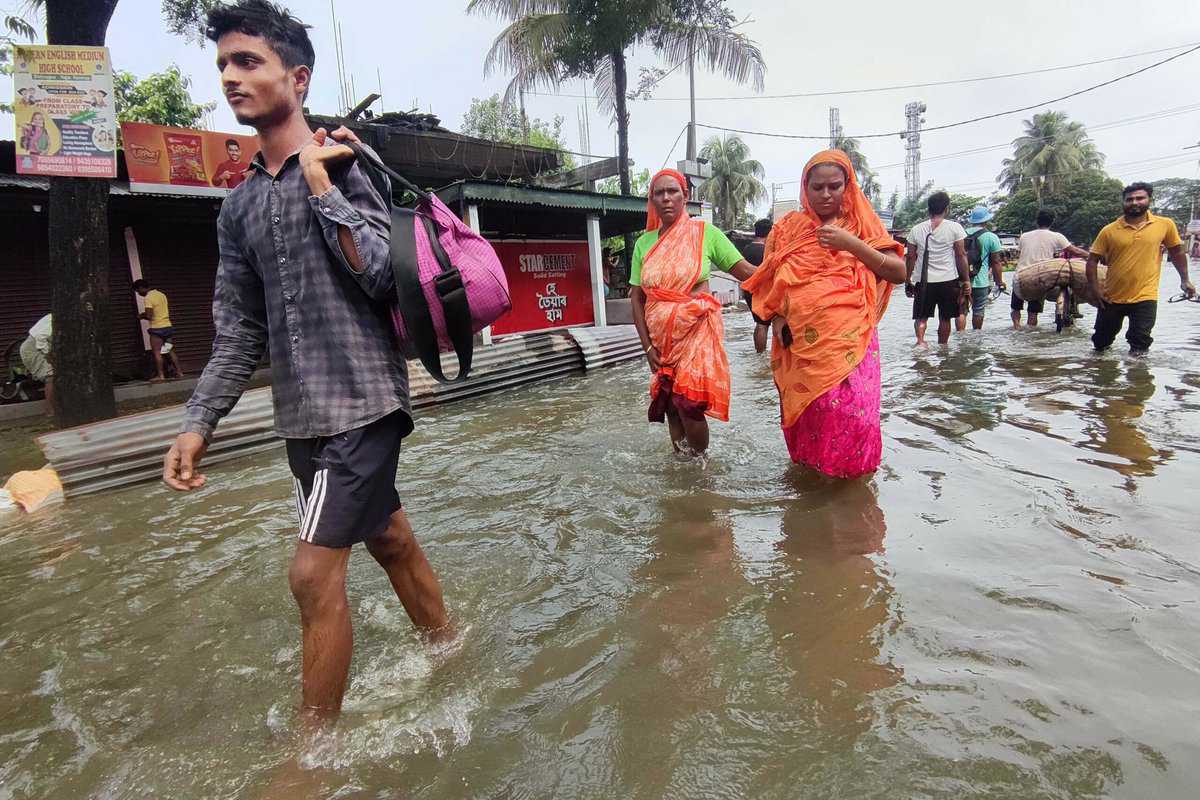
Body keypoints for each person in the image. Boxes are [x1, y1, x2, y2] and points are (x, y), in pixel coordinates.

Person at [161, 0, 450, 722]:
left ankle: (313, 755)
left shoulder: (347, 166)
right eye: (223, 64)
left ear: (298, 77)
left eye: (247, 62)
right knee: (387, 536)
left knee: (311, 575)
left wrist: (324, 187)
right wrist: (199, 423)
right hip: (303, 417)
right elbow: (239, 332)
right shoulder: (237, 212)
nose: (231, 77)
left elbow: (387, 278)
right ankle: (451, 643)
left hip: (364, 404)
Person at [741, 149, 906, 478]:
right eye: (818, 187)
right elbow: (767, 285)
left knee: (851, 414)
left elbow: (899, 273)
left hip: (852, 344)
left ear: (848, 186)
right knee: (812, 416)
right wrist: (776, 319)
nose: (826, 194)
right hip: (800, 347)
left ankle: (850, 495)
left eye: (835, 186)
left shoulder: (861, 224)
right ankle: (813, 490)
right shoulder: (788, 229)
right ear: (806, 187)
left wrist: (852, 244)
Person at [629, 168, 756, 456]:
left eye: (672, 191)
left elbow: (745, 272)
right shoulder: (643, 244)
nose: (666, 198)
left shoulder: (705, 234)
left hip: (696, 336)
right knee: (671, 404)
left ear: (685, 196)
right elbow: (636, 298)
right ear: (652, 200)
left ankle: (701, 466)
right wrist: (647, 346)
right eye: (658, 193)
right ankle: (681, 464)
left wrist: (785, 274)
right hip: (661, 341)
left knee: (689, 405)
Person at [1087, 182, 1196, 356]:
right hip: (1111, 297)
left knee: (1140, 342)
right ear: (1123, 202)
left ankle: (1138, 380)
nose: (1134, 202)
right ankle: (1102, 378)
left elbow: (1176, 252)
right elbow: (1092, 261)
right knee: (1101, 343)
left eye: (1140, 198)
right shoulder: (1109, 230)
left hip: (1146, 296)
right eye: (1129, 199)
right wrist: (1094, 290)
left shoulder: (1165, 225)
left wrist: (1185, 280)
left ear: (1149, 200)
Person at [904, 191, 969, 345]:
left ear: (929, 209)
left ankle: (920, 342)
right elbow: (960, 255)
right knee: (945, 318)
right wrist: (966, 280)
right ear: (947, 209)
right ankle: (943, 347)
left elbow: (911, 257)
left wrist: (908, 280)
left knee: (921, 317)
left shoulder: (916, 229)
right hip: (948, 280)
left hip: (923, 280)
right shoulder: (955, 228)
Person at [1011, 209, 1090, 328]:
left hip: (1020, 276)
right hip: (1038, 277)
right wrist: (1091, 256)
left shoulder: (1024, 236)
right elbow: (1075, 250)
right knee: (1033, 313)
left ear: (1037, 221)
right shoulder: (1057, 236)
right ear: (1052, 221)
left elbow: (1022, 252)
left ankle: (1016, 327)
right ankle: (1031, 332)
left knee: (1016, 308)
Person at [961, 206, 1005, 330]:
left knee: (961, 310)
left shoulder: (961, 234)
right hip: (981, 282)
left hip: (962, 280)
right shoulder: (992, 237)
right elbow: (996, 262)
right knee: (978, 310)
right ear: (986, 221)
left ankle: (960, 337)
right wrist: (999, 282)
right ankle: (977, 336)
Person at [132, 279, 183, 381]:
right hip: (167, 327)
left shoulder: (148, 297)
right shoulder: (161, 295)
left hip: (157, 330)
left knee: (157, 352)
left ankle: (161, 376)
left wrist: (141, 316)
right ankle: (179, 372)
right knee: (169, 351)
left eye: (138, 291)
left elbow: (149, 316)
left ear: (141, 288)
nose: (139, 294)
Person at [739, 218, 772, 353]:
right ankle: (763, 355)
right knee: (764, 324)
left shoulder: (746, 249)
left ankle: (758, 353)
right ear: (770, 233)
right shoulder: (766, 251)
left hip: (748, 290)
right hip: (764, 291)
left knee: (759, 323)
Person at [18, 313, 53, 408]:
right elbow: (40, 337)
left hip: (44, 347)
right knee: (51, 376)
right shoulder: (55, 318)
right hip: (34, 348)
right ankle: (50, 411)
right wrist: (48, 355)